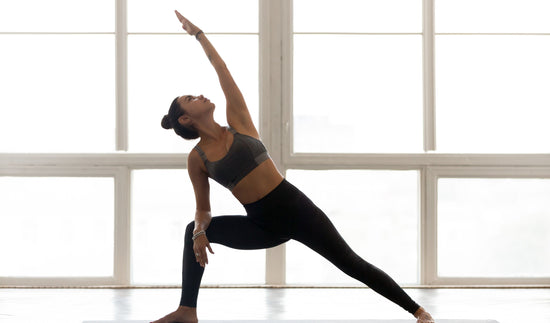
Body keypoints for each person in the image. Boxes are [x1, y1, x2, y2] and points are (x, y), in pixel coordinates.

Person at [152, 10, 435, 323]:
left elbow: (222, 70)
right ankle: (186, 311)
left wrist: (199, 34)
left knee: (350, 262)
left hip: (296, 209)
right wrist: (200, 233)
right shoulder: (197, 159)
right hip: (261, 224)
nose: (201, 95)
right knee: (192, 230)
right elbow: (202, 209)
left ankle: (419, 312)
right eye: (191, 98)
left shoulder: (239, 123)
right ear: (185, 118)